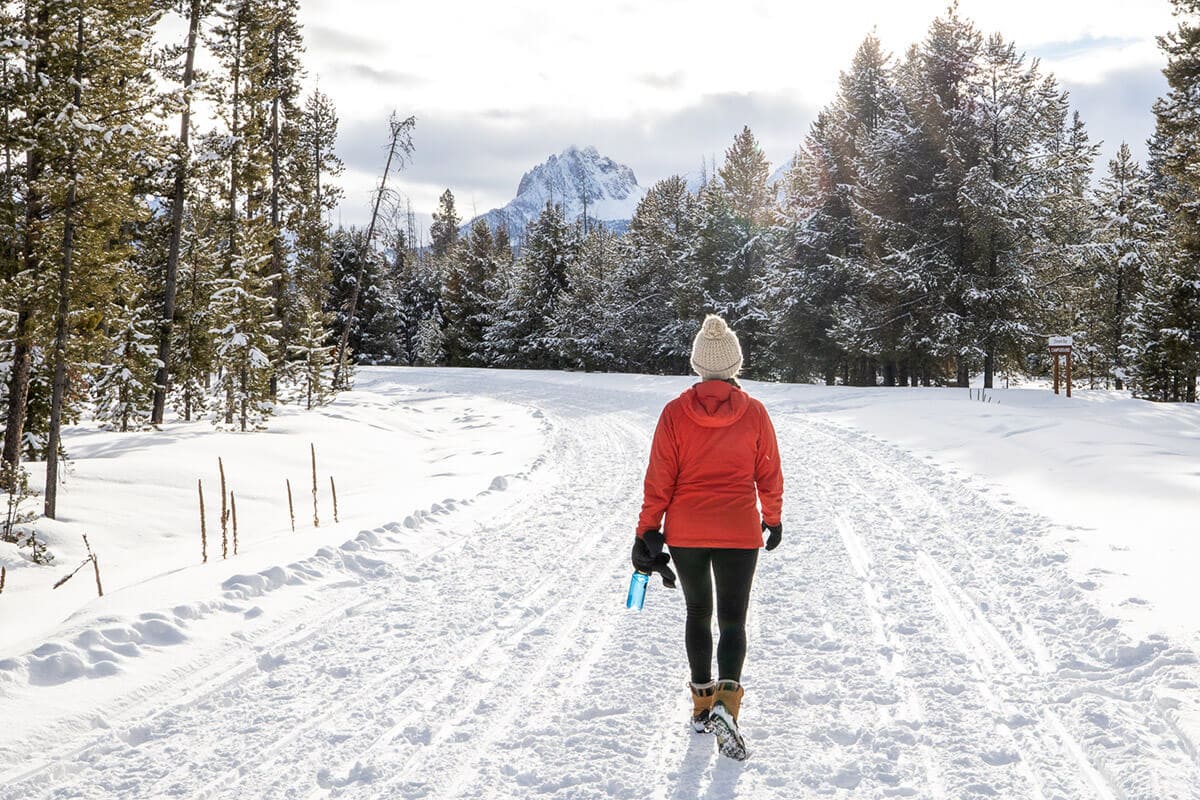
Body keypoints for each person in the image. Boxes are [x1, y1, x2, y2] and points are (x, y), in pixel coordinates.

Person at [631, 314, 784, 761]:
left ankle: (701, 707)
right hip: (738, 527)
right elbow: (768, 474)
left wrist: (647, 530)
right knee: (733, 620)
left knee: (699, 612)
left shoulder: (675, 412)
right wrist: (772, 519)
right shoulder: (754, 412)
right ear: (735, 362)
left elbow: (659, 478)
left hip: (687, 530)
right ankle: (726, 705)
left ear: (698, 365)